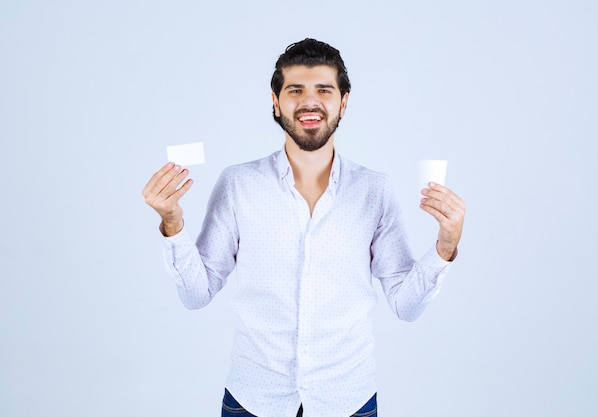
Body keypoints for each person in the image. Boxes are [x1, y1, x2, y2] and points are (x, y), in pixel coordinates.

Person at [142, 38, 465, 417]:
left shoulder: (375, 191)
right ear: (276, 102)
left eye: (324, 90)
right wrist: (173, 223)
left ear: (343, 102)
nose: (309, 102)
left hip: (348, 399)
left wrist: (445, 244)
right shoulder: (238, 184)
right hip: (252, 400)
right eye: (295, 90)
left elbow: (406, 305)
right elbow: (196, 294)